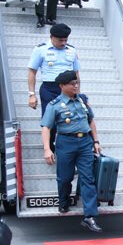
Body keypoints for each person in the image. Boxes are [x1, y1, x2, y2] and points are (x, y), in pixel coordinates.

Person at [40, 70, 102, 232]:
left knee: (88, 178)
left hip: (85, 143)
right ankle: (64, 201)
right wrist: (47, 149)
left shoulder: (82, 101)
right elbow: (46, 127)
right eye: (72, 84)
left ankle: (90, 216)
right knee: (65, 177)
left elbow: (91, 121)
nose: (76, 86)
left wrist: (96, 141)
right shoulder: (54, 105)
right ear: (62, 86)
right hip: (65, 142)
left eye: (77, 83)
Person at [27, 23, 80, 119]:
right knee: (49, 121)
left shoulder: (72, 50)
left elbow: (76, 73)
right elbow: (32, 72)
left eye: (65, 40)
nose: (63, 43)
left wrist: (78, 93)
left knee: (69, 121)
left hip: (68, 88)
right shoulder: (40, 49)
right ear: (52, 37)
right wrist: (32, 94)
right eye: (60, 40)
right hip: (49, 89)